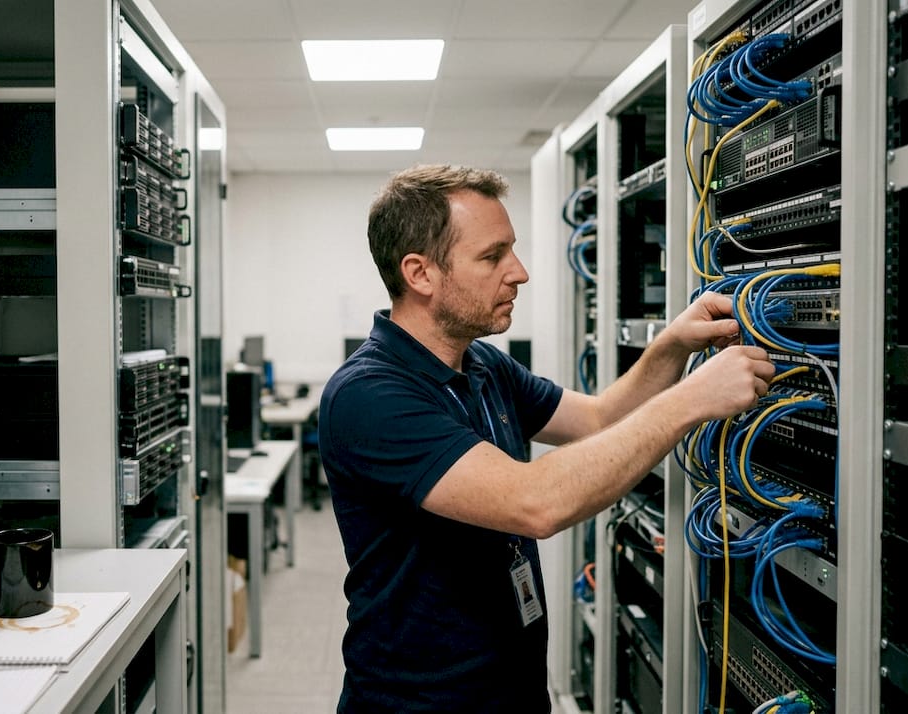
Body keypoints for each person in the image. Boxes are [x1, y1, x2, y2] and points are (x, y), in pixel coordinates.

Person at [318, 164, 775, 712]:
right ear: (420, 273)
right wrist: (692, 399)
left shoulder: (482, 363)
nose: (520, 272)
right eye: (492, 257)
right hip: (421, 701)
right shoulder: (369, 395)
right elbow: (536, 503)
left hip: (511, 686)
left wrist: (673, 345)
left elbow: (601, 418)